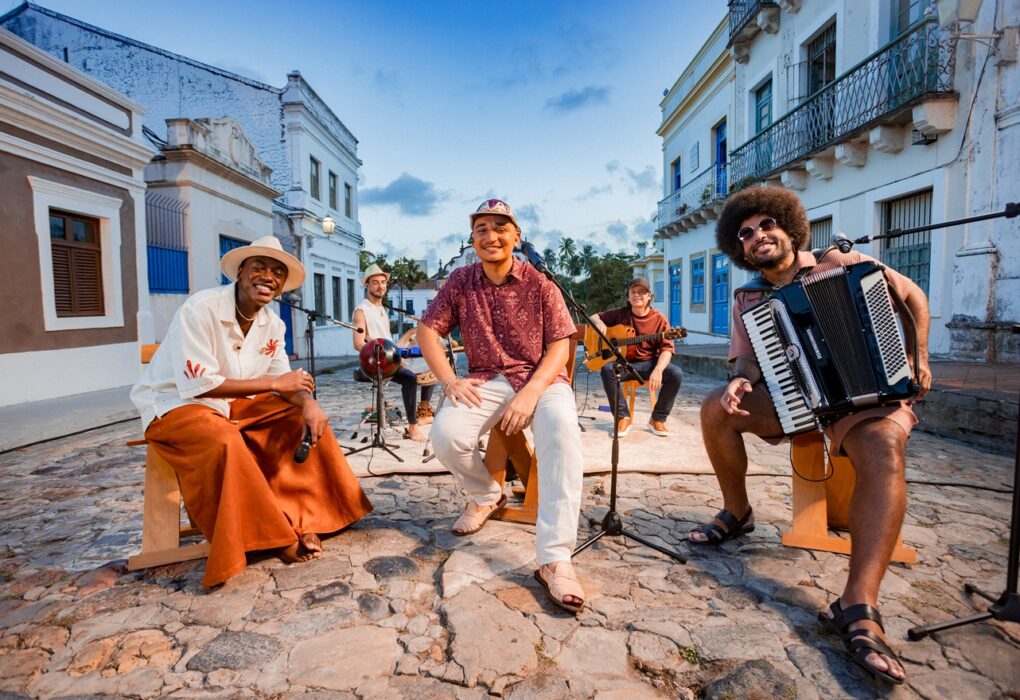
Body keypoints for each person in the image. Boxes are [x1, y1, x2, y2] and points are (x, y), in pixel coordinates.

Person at [690, 187, 931, 685]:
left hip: (864, 397)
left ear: (789, 226)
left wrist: (920, 357)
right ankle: (738, 512)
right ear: (740, 249)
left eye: (766, 225)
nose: (758, 237)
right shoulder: (749, 297)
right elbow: (749, 359)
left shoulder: (843, 260)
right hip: (794, 400)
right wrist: (740, 379)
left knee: (885, 446)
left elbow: (913, 297)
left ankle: (857, 604)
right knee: (715, 406)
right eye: (746, 234)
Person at [130, 236, 372, 588]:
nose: (268, 277)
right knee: (225, 440)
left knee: (300, 421)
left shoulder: (273, 324)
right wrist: (278, 386)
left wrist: (309, 404)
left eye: (277, 272)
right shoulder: (202, 308)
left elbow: (282, 383)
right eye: (259, 267)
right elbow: (201, 385)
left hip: (229, 406)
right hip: (174, 405)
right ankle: (275, 537)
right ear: (240, 272)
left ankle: (308, 519)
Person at [416, 199, 586, 613]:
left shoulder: (542, 283)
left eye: (499, 228)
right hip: (487, 378)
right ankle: (486, 493)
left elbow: (561, 344)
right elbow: (426, 331)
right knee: (445, 435)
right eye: (481, 230)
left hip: (541, 378)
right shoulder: (460, 281)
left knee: (562, 435)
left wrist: (531, 393)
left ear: (516, 236)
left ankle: (555, 559)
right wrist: (449, 380)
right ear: (472, 239)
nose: (490, 236)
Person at [352, 264, 435, 442]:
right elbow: (358, 343)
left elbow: (388, 340)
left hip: (392, 359)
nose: (380, 286)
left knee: (432, 364)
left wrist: (401, 353)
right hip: (375, 363)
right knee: (410, 378)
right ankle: (413, 427)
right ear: (367, 285)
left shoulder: (382, 309)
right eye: (375, 282)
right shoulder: (361, 310)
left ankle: (423, 411)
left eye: (383, 282)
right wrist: (385, 353)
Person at [591, 277, 683, 437]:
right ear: (628, 296)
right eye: (633, 292)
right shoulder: (620, 314)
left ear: (649, 296)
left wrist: (659, 370)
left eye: (642, 292)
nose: (637, 295)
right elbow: (594, 316)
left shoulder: (659, 319)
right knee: (607, 369)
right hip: (625, 364)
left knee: (675, 374)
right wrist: (599, 324)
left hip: (649, 363)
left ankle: (657, 419)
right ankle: (622, 417)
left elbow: (667, 348)